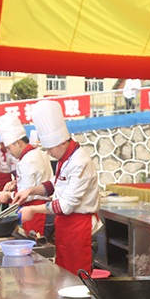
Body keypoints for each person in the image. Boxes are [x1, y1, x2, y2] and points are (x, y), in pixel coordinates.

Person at [14, 99, 100, 274]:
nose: (48, 153)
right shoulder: (66, 158)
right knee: (64, 274)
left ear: (62, 142)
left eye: (50, 148)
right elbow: (55, 183)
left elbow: (66, 205)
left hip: (78, 227)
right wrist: (30, 191)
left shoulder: (80, 162)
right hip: (65, 226)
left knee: (77, 277)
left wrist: (34, 210)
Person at [0, 111, 53, 239]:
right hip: (44, 211)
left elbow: (26, 196)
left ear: (18, 143)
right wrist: (16, 184)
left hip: (36, 214)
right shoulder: (39, 153)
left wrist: (7, 195)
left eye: (9, 148)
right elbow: (36, 181)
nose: (9, 152)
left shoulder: (26, 160)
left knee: (36, 247)